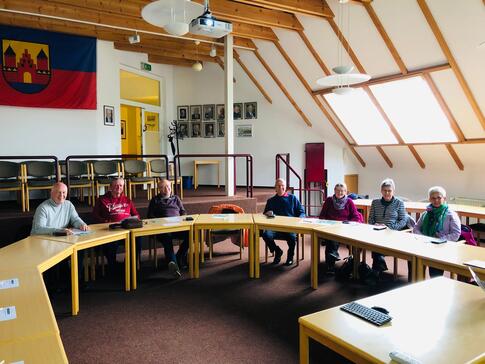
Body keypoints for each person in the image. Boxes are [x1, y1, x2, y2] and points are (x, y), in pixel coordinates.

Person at [413, 186, 461, 277]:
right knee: (413, 258)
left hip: (442, 246)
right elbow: (416, 228)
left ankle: (435, 283)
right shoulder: (426, 213)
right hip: (425, 243)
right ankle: (416, 281)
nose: (436, 200)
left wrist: (440, 240)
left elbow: (456, 234)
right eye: (433, 198)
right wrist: (423, 238)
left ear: (444, 198)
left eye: (439, 197)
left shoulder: (451, 214)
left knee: (434, 261)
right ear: (429, 199)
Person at [93, 178, 140, 269]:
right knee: (110, 243)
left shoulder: (127, 200)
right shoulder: (102, 199)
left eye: (121, 185)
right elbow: (95, 216)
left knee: (137, 239)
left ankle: (130, 264)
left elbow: (136, 214)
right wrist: (106, 222)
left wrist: (133, 219)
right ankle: (113, 266)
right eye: (116, 185)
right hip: (110, 230)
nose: (118, 187)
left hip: (126, 228)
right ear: (110, 187)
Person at [147, 179, 188, 278]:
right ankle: (173, 264)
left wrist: (181, 219)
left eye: (169, 186)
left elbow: (183, 212)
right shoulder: (155, 200)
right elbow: (150, 216)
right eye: (164, 187)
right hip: (162, 229)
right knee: (167, 238)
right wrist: (160, 223)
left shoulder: (176, 199)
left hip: (177, 226)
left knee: (191, 234)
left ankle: (179, 255)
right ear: (159, 189)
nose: (167, 189)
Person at [319, 183, 363, 274]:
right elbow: (322, 216)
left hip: (345, 229)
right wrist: (327, 224)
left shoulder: (349, 201)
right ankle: (330, 265)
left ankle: (354, 265)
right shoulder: (329, 200)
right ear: (334, 191)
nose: (340, 192)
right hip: (331, 228)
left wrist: (350, 224)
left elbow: (356, 217)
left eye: (342, 191)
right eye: (338, 190)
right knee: (332, 240)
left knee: (356, 242)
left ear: (346, 192)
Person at [368, 178, 408, 274]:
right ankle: (378, 266)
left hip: (392, 233)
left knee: (377, 244)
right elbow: (370, 219)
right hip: (377, 232)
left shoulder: (399, 203)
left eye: (389, 191)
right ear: (381, 191)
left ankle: (376, 270)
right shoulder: (375, 202)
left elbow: (403, 220)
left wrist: (391, 228)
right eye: (384, 191)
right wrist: (375, 224)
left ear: (393, 191)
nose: (387, 193)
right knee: (376, 241)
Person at [262, 178, 305, 266]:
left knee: (292, 238)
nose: (281, 187)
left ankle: (290, 256)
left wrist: (298, 220)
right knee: (266, 235)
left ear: (285, 187)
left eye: (283, 185)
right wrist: (267, 213)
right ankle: (277, 251)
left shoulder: (292, 198)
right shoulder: (271, 201)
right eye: (278, 185)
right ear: (275, 188)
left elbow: (302, 212)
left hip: (289, 226)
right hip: (274, 226)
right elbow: (265, 213)